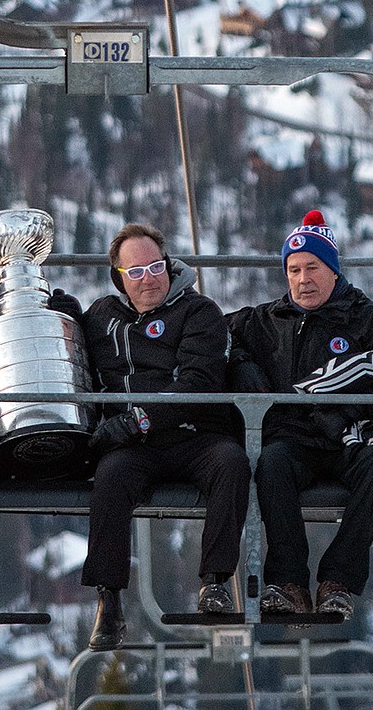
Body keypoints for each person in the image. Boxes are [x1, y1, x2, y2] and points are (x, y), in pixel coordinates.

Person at [50, 222, 250, 650]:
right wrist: (64, 315)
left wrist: (138, 418)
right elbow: (78, 349)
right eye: (136, 272)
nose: (149, 279)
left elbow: (199, 383)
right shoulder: (103, 316)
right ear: (119, 277)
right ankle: (109, 602)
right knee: (111, 478)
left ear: (169, 265)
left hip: (194, 434)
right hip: (135, 446)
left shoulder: (199, 313)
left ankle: (215, 582)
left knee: (232, 463)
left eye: (156, 267)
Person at [227, 210, 373, 622]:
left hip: (351, 439)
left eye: (313, 268)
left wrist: (344, 412)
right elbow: (210, 338)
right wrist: (244, 368)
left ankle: (338, 581)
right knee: (271, 462)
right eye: (294, 269)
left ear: (334, 271)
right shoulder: (264, 322)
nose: (303, 279)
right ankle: (287, 582)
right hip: (295, 442)